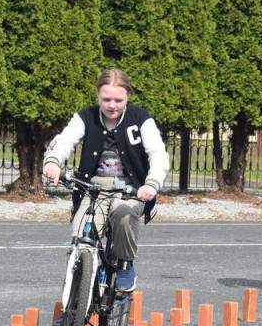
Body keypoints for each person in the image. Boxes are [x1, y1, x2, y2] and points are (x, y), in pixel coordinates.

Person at [42, 68, 169, 292]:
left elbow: (158, 154)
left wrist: (151, 184)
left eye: (118, 100)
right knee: (80, 239)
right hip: (93, 188)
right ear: (97, 95)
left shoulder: (140, 118)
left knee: (122, 213)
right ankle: (73, 306)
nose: (112, 105)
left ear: (128, 96)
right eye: (106, 99)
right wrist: (52, 162)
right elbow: (64, 141)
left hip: (131, 190)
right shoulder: (85, 117)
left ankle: (125, 263)